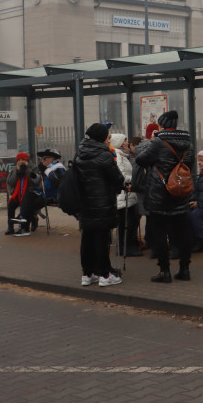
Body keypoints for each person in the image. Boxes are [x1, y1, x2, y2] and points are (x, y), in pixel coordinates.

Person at [135, 110, 195, 283]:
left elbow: (140, 159)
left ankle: (164, 271)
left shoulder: (158, 142)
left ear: (162, 125)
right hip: (180, 193)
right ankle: (184, 269)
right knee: (183, 232)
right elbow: (190, 164)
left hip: (159, 194)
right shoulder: (188, 143)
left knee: (159, 233)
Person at [75, 122, 125, 287]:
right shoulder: (104, 155)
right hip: (102, 204)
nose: (109, 139)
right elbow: (117, 178)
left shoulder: (80, 153)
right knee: (102, 239)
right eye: (107, 136)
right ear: (101, 138)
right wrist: (121, 185)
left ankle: (87, 274)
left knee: (87, 238)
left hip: (85, 204)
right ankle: (105, 275)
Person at [109, 134, 141, 257]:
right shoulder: (118, 156)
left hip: (128, 195)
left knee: (129, 222)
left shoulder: (122, 155)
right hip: (123, 195)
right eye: (125, 141)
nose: (127, 143)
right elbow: (121, 175)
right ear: (119, 143)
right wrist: (135, 179)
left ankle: (127, 246)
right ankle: (125, 248)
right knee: (125, 223)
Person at [5, 152, 39, 236]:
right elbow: (10, 182)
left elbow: (36, 182)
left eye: (23, 159)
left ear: (27, 160)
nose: (21, 161)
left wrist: (26, 170)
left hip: (30, 193)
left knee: (26, 204)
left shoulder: (34, 168)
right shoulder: (14, 169)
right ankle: (10, 227)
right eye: (19, 160)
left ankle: (32, 219)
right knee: (11, 205)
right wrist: (17, 171)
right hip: (18, 193)